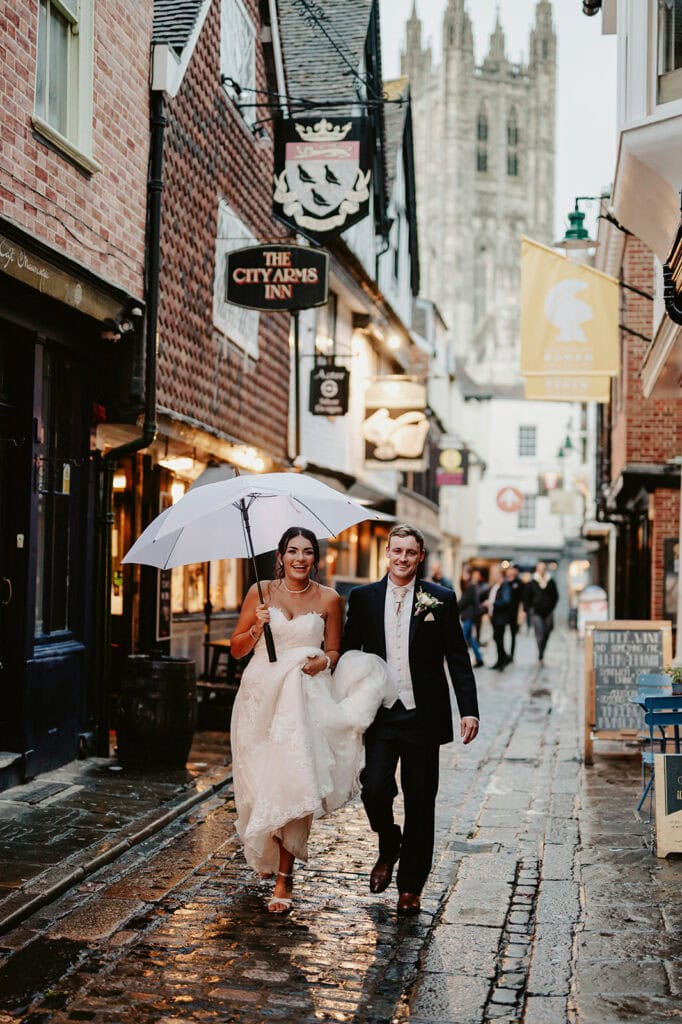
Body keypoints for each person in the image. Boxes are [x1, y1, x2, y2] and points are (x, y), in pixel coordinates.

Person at [230, 527, 395, 914]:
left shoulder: (330, 598)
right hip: (259, 698)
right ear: (281, 557)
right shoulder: (260, 593)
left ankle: (285, 877)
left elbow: (335, 649)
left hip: (303, 698)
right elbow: (238, 648)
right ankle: (269, 854)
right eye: (292, 551)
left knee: (293, 781)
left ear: (315, 558)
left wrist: (326, 660)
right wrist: (257, 626)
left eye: (307, 552)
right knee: (257, 785)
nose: (299, 558)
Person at [342, 524, 479, 917]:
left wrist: (468, 709)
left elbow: (457, 657)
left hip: (424, 716)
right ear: (387, 553)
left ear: (420, 557)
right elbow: (351, 654)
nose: (402, 558)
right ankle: (389, 842)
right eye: (396, 551)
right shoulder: (364, 598)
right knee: (375, 789)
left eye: (410, 552)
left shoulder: (441, 598)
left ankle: (410, 887)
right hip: (382, 715)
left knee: (421, 802)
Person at [527, 561, 559, 661]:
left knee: (547, 632)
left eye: (543, 568)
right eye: (539, 568)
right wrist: (530, 608)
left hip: (548, 611)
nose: (541, 570)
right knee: (539, 632)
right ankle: (540, 651)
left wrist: (551, 607)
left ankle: (543, 649)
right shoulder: (532, 582)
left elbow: (555, 596)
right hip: (536, 612)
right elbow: (527, 597)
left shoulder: (550, 581)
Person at [485, 565, 512, 671]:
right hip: (494, 617)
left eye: (495, 574)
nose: (493, 575)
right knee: (497, 639)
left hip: (500, 617)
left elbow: (506, 601)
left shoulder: (505, 586)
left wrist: (492, 603)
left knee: (499, 639)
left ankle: (503, 660)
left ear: (500, 574)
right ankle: (500, 660)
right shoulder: (495, 585)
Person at [458, 568, 485, 668]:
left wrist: (452, 606)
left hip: (469, 616)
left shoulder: (470, 586)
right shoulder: (468, 586)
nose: (463, 575)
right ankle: (479, 658)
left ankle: (461, 661)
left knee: (462, 638)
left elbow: (464, 601)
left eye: (464, 573)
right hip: (468, 616)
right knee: (470, 639)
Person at [504, 565, 524, 662]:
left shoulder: (519, 583)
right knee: (501, 633)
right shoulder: (505, 583)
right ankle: (503, 654)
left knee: (513, 634)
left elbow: (522, 599)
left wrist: (521, 612)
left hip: (514, 613)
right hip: (504, 612)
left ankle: (511, 654)